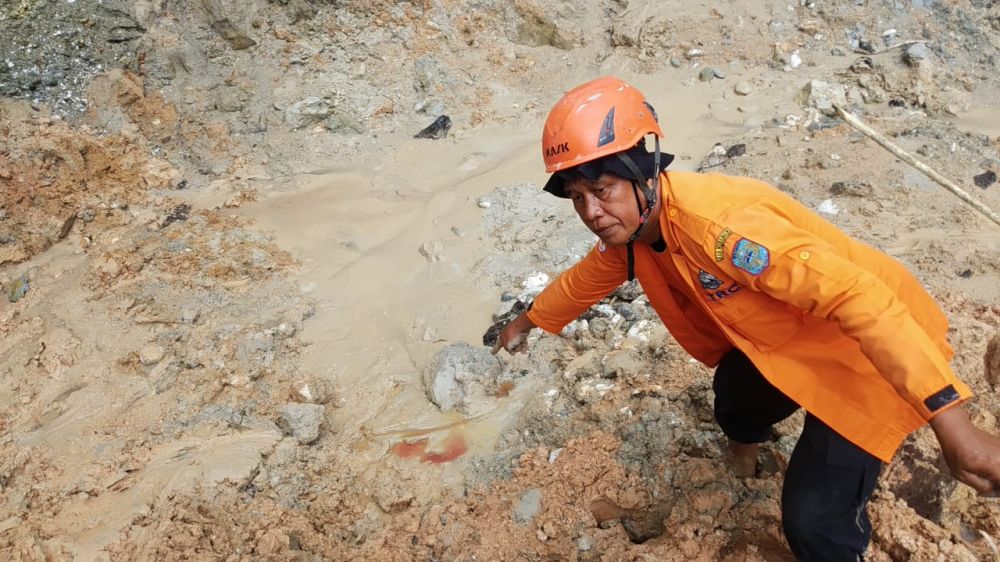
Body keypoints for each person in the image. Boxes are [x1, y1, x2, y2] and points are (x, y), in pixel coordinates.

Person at [495, 76, 1000, 561]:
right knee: (735, 391)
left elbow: (860, 301)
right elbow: (584, 280)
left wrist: (953, 425)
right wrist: (524, 324)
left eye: (602, 190)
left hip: (868, 351)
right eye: (577, 197)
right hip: (794, 343)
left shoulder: (721, 230)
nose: (591, 212)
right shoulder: (638, 233)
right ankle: (743, 461)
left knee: (813, 523)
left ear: (643, 173)